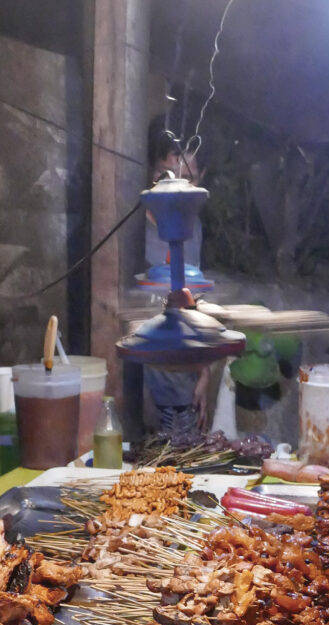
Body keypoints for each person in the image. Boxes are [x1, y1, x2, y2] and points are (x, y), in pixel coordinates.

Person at [142, 116, 209, 433]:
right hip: (140, 378)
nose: (176, 189)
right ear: (151, 172)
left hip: (180, 384)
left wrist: (203, 372)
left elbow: (194, 301)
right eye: (166, 175)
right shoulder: (132, 229)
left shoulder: (193, 227)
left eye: (188, 180)